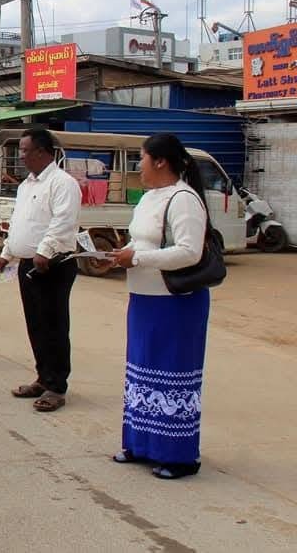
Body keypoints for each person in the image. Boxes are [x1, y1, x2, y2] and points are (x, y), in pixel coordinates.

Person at [110, 133, 211, 480]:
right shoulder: (150, 197)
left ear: (161, 162)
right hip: (145, 299)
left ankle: (179, 456)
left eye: (142, 158)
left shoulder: (184, 199)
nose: (139, 165)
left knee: (172, 377)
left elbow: (189, 252)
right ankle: (141, 445)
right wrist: (122, 254)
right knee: (142, 373)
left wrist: (137, 257)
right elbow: (141, 240)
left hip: (176, 304)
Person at [0, 127, 81, 412]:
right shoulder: (26, 185)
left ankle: (57, 386)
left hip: (53, 264)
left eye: (24, 150)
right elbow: (20, 222)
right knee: (36, 325)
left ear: (43, 152)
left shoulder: (62, 183)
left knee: (54, 325)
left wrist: (44, 251)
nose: (20, 156)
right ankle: (43, 377)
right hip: (28, 264)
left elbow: (63, 222)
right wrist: (7, 254)